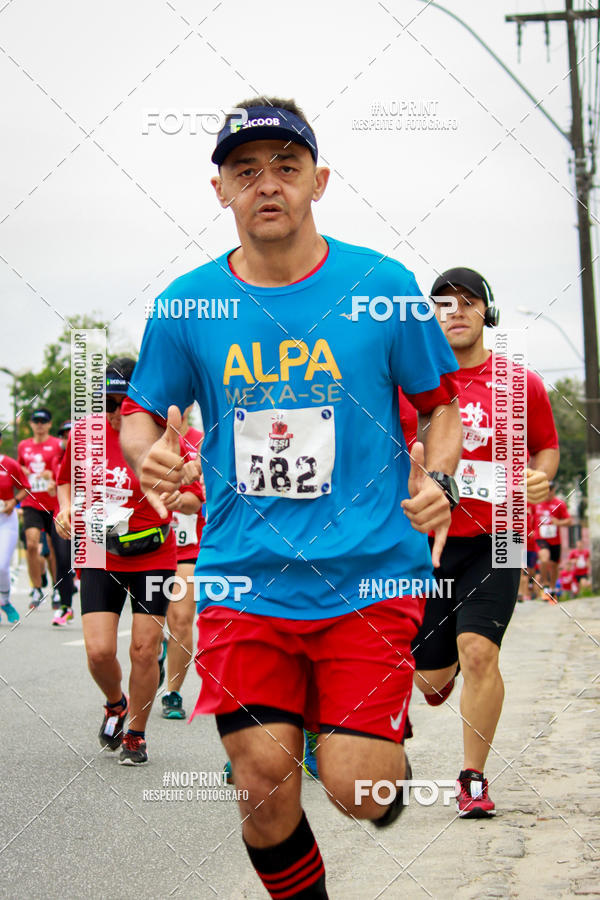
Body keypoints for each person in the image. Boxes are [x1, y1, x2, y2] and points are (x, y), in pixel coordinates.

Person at [120, 96, 463, 898]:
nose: (265, 184)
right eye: (245, 171)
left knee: (360, 790)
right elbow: (140, 415)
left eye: (285, 167)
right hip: (247, 575)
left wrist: (441, 481)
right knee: (261, 779)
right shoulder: (187, 304)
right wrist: (149, 459)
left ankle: (363, 740)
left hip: (370, 574)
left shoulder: (382, 286)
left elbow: (440, 404)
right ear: (221, 192)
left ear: (320, 180)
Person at [408, 267, 559, 818]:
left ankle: (472, 777)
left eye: (468, 302)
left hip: (502, 537)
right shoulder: (410, 389)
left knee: (479, 652)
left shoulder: (520, 384)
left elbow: (545, 448)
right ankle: (436, 679)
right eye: (442, 304)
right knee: (430, 673)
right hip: (425, 545)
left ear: (486, 313)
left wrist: (539, 477)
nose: (455, 312)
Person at [56, 358, 178, 765]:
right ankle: (115, 703)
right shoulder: (85, 435)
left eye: (120, 403)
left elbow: (194, 488)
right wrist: (65, 509)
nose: (112, 413)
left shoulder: (162, 432)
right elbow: (65, 479)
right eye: (105, 402)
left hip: (153, 552)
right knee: (98, 651)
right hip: (96, 547)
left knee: (145, 650)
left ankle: (137, 734)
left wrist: (184, 494)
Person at [161, 406, 205, 719]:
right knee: (152, 627)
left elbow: (201, 498)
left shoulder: (203, 441)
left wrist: (181, 499)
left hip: (188, 545)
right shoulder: (145, 441)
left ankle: (173, 692)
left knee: (181, 617)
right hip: (148, 547)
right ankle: (161, 649)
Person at [18, 408, 62, 608]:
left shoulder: (57, 445)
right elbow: (17, 472)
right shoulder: (23, 446)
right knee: (32, 543)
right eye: (36, 421)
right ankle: (36, 588)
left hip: (53, 504)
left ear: (50, 424)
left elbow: (64, 470)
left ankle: (57, 588)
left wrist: (51, 477)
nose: (39, 425)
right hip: (31, 502)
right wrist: (23, 472)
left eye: (43, 421)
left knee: (53, 548)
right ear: (31, 424)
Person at [0, 431, 31, 623]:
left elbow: (25, 487)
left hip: (6, 520)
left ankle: (4, 600)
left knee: (2, 565)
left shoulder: (9, 464)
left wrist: (14, 501)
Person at [51, 421, 76, 626]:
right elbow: (56, 486)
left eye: (71, 433)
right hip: (63, 517)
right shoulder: (54, 460)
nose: (68, 437)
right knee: (62, 560)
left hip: (92, 517)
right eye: (64, 435)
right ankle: (65, 606)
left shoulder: (91, 454)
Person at [534, 483, 572, 600]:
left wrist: (559, 522)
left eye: (551, 489)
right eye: (547, 489)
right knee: (544, 559)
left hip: (555, 540)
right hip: (540, 538)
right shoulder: (536, 503)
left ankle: (552, 588)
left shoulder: (559, 504)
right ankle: (545, 584)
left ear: (554, 490)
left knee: (555, 565)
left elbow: (569, 521)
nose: (549, 492)